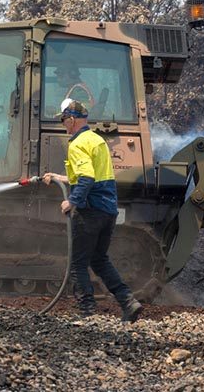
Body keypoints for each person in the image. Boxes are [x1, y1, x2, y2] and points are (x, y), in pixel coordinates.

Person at [42, 98, 143, 322]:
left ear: (71, 119)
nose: (62, 125)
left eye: (63, 120)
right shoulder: (96, 140)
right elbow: (89, 175)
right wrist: (59, 177)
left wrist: (72, 201)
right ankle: (128, 302)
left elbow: (86, 178)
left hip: (90, 212)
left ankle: (87, 314)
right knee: (99, 259)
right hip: (108, 211)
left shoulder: (77, 144)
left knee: (78, 264)